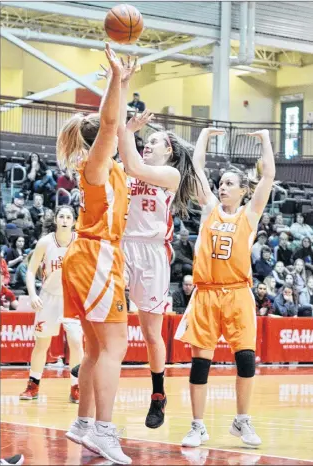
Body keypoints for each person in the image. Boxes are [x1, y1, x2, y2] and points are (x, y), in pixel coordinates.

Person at [175, 127, 275, 448]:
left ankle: (241, 420)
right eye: (221, 183)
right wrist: (203, 135)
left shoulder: (250, 215)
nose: (222, 187)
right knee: (200, 364)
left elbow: (268, 176)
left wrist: (264, 140)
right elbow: (197, 167)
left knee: (245, 360)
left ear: (244, 190)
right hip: (206, 293)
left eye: (230, 183)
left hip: (238, 293)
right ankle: (197, 425)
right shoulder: (209, 210)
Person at [57, 44, 131, 464]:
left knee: (93, 348)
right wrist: (115, 79)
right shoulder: (97, 163)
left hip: (89, 256)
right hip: (97, 257)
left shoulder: (107, 164)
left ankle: (83, 424)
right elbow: (108, 121)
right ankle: (104, 431)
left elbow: (115, 123)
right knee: (115, 347)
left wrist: (121, 83)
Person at [118, 64, 201, 430]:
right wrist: (123, 87)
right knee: (108, 319)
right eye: (146, 141)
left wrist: (129, 130)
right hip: (121, 246)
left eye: (155, 141)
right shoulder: (127, 165)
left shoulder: (170, 175)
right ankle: (93, 359)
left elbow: (133, 165)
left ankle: (157, 393)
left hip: (152, 254)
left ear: (168, 151)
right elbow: (123, 157)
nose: (148, 143)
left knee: (152, 335)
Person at [19, 206, 83, 404]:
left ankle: (76, 386)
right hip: (48, 297)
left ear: (74, 221)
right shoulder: (45, 242)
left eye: (68, 217)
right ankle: (33, 385)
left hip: (72, 299)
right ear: (55, 220)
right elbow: (30, 271)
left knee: (76, 342)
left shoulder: (80, 242)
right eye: (61, 216)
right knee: (42, 344)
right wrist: (32, 294)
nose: (64, 220)